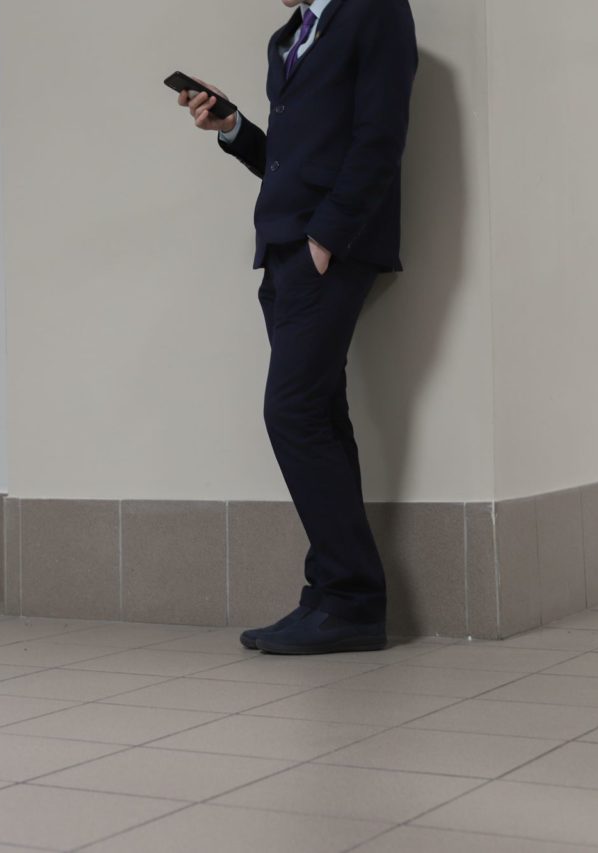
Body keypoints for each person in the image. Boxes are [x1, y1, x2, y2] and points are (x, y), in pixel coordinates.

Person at [174, 0, 418, 654]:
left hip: (326, 249)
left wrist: (326, 239)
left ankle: (351, 598)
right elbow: (291, 158)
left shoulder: (376, 11)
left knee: (293, 413)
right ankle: (336, 598)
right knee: (320, 416)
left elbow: (380, 135)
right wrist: (233, 128)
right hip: (283, 251)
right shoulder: (288, 37)